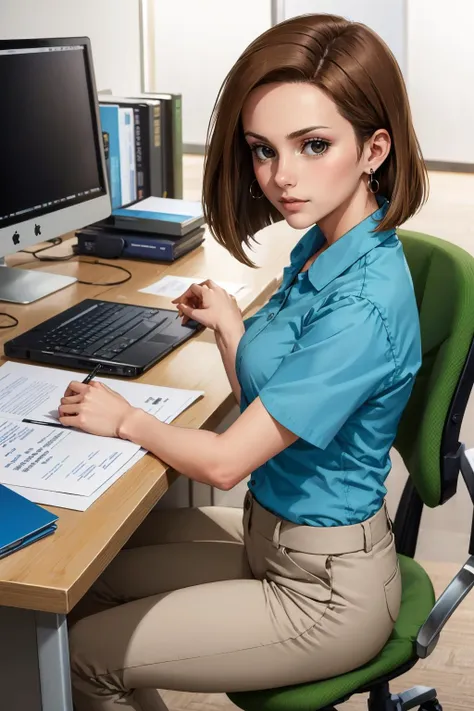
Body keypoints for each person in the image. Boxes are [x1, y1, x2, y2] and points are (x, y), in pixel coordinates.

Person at [62, 12, 427, 711]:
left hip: (325, 589)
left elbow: (231, 461)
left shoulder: (362, 305)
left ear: (375, 148)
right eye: (264, 150)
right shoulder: (323, 242)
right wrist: (232, 327)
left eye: (313, 145)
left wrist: (127, 419)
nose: (282, 177)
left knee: (83, 656)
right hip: (274, 539)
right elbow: (277, 406)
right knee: (90, 587)